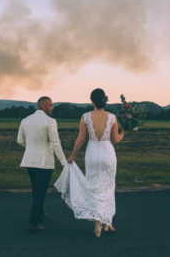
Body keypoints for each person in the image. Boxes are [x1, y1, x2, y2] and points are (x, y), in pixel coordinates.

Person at [54, 88, 125, 237]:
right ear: (105, 100)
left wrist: (72, 156)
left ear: (91, 100)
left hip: (92, 153)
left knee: (93, 187)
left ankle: (98, 225)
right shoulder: (112, 117)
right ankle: (107, 222)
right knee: (108, 186)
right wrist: (124, 130)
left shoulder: (85, 117)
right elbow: (116, 140)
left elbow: (80, 139)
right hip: (108, 153)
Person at [17, 96, 66, 232]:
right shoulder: (50, 121)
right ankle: (33, 222)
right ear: (43, 106)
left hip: (29, 160)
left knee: (36, 189)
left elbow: (19, 140)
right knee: (40, 192)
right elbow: (56, 143)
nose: (52, 108)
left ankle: (40, 213)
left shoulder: (25, 120)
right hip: (44, 162)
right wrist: (63, 161)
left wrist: (31, 148)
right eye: (50, 105)